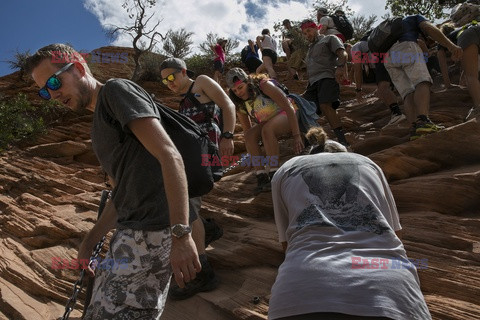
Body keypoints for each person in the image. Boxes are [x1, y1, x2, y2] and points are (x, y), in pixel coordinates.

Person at [25, 44, 200, 319]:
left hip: (155, 232)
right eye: (45, 91)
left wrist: (181, 234)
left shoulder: (115, 91)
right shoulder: (99, 125)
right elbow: (122, 192)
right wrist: (90, 239)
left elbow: (170, 155)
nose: (53, 93)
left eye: (55, 82)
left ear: (80, 68)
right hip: (129, 233)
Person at [268, 126, 432, 320]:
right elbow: (396, 235)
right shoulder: (367, 163)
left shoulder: (287, 169)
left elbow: (287, 245)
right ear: (343, 153)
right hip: (387, 288)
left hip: (300, 289)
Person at [159, 57, 236, 299]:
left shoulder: (201, 82)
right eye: (164, 81)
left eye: (171, 77)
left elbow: (228, 105)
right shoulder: (182, 103)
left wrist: (228, 135)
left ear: (183, 71)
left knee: (187, 202)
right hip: (192, 156)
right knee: (185, 201)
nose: (168, 83)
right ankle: (207, 230)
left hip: (208, 153)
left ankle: (203, 273)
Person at [383, 15, 463, 140]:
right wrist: (451, 46)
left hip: (387, 58)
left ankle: (415, 129)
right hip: (406, 47)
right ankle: (424, 122)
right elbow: (429, 28)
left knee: (407, 92)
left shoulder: (392, 28)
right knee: (422, 82)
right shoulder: (414, 18)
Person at [226, 68, 304, 195]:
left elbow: (288, 107)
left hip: (288, 113)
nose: (238, 92)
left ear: (248, 82)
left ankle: (274, 172)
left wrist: (296, 136)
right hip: (269, 122)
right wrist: (252, 154)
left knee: (267, 130)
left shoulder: (263, 85)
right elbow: (247, 131)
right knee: (251, 135)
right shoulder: (239, 103)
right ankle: (261, 176)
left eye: (240, 87)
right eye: (234, 90)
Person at [300, 19, 350, 147]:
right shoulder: (309, 50)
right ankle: (313, 145)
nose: (307, 35)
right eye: (305, 33)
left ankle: (343, 142)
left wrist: (340, 67)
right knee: (303, 111)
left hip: (327, 77)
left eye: (309, 31)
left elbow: (342, 53)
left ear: (316, 28)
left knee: (325, 105)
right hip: (313, 84)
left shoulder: (329, 39)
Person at [351, 32, 406, 128]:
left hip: (383, 60)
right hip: (396, 55)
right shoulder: (377, 45)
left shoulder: (356, 46)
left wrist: (358, 89)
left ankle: (397, 114)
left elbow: (357, 69)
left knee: (382, 89)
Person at [438, 22, 480, 121]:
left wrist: (448, 84)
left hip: (468, 35)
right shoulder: (461, 28)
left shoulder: (442, 40)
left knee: (471, 76)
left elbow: (442, 63)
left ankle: (478, 107)